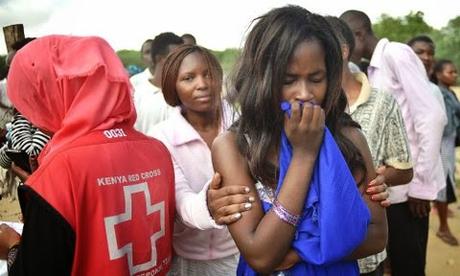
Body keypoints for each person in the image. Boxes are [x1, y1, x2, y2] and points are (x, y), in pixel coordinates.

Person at [212, 6, 387, 275]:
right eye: (288, 80)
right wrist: (304, 156)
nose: (304, 93)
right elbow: (261, 256)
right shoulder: (236, 147)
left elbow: (377, 235)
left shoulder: (350, 139)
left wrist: (298, 252)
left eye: (316, 79)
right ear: (262, 79)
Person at [0, 35, 176, 275]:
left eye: (34, 97)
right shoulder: (158, 150)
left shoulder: (59, 171)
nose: (32, 113)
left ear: (56, 93)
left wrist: (12, 246)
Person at [340, 10, 447, 276]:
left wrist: (421, 187)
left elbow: (431, 116)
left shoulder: (395, 54)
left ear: (358, 35)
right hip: (388, 193)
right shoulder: (372, 68)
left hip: (408, 192)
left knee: (409, 266)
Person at [326, 16, 414, 276]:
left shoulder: (382, 103)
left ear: (342, 50)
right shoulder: (309, 104)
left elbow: (404, 169)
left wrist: (374, 179)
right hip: (317, 252)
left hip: (366, 252)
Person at [149, 44, 240, 275]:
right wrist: (208, 207)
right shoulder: (162, 136)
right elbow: (180, 199)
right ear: (173, 87)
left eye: (208, 74)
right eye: (189, 78)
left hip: (241, 254)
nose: (202, 84)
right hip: (186, 260)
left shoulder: (245, 126)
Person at [431, 59, 460, 246]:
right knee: (444, 183)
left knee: (448, 177)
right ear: (439, 74)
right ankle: (443, 227)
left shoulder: (449, 93)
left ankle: (442, 209)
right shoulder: (437, 94)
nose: (454, 75)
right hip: (440, 143)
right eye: (450, 72)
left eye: (455, 72)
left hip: (449, 142)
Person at [133, 32, 183, 134]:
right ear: (159, 59)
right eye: (177, 57)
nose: (183, 61)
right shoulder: (135, 96)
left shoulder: (184, 94)